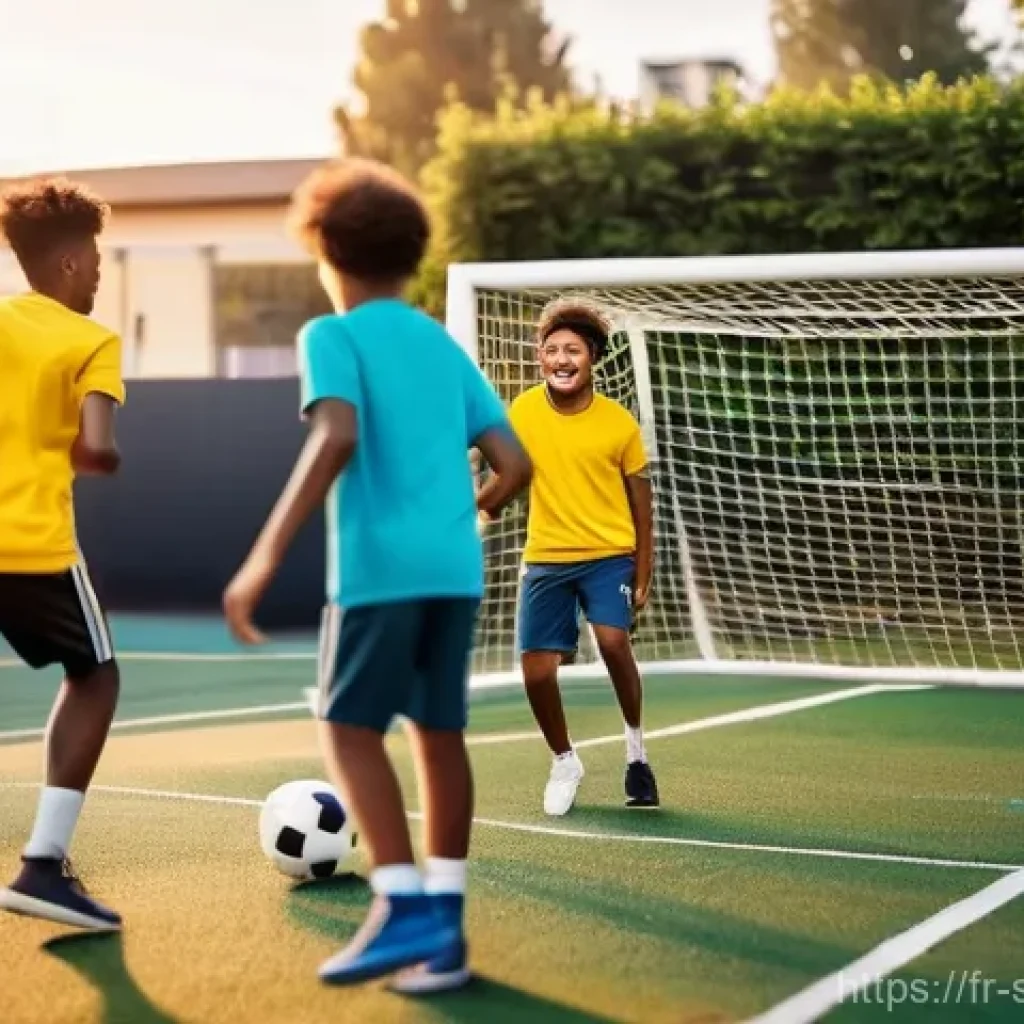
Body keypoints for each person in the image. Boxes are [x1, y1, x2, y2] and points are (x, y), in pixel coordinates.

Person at [222, 158, 532, 992]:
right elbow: (514, 460)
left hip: (380, 573)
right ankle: (447, 935)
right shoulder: (438, 340)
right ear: (411, 254)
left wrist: (263, 556)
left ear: (325, 252)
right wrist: (471, 513)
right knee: (439, 736)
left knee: (349, 728)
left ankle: (399, 900)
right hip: (453, 572)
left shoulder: (333, 335)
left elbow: (335, 437)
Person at [0, 178, 125, 931]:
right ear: (73, 264)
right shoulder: (93, 342)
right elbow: (100, 450)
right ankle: (43, 865)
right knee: (96, 676)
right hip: (31, 546)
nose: (102, 273)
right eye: (99, 260)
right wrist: (87, 452)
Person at [508, 299, 660, 816]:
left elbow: (643, 505)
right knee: (535, 672)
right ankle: (564, 761)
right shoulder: (523, 410)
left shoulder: (619, 424)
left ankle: (636, 756)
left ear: (592, 356)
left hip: (608, 556)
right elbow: (497, 460)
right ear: (540, 359)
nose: (561, 359)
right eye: (551, 350)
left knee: (614, 642)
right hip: (546, 558)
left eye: (572, 349)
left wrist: (643, 569)